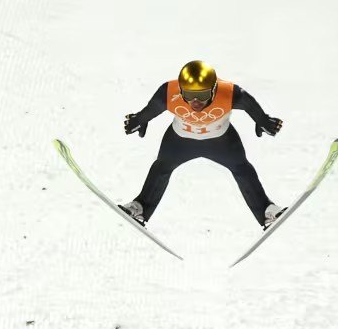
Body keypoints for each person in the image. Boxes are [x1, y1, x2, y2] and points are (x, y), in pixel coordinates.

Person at [120, 60, 286, 228]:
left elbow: (253, 109)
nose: (196, 102)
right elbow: (150, 110)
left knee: (243, 170)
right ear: (181, 89)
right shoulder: (168, 92)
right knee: (161, 168)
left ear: (214, 89)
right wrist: (139, 120)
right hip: (180, 141)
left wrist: (263, 121)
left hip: (221, 142)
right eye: (189, 95)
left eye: (203, 95)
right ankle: (139, 208)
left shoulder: (230, 93)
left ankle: (267, 210)